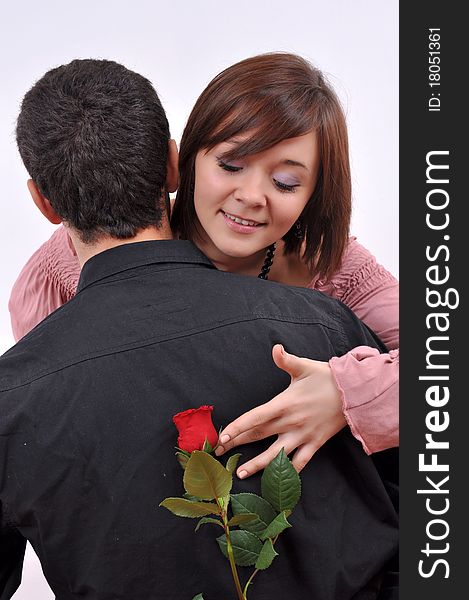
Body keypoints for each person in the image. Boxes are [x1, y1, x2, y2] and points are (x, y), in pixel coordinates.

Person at [0, 59, 398, 600]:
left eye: (285, 181)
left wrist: (347, 393)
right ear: (179, 162)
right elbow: (61, 422)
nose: (252, 196)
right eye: (231, 164)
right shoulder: (59, 271)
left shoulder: (335, 272)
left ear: (315, 194)